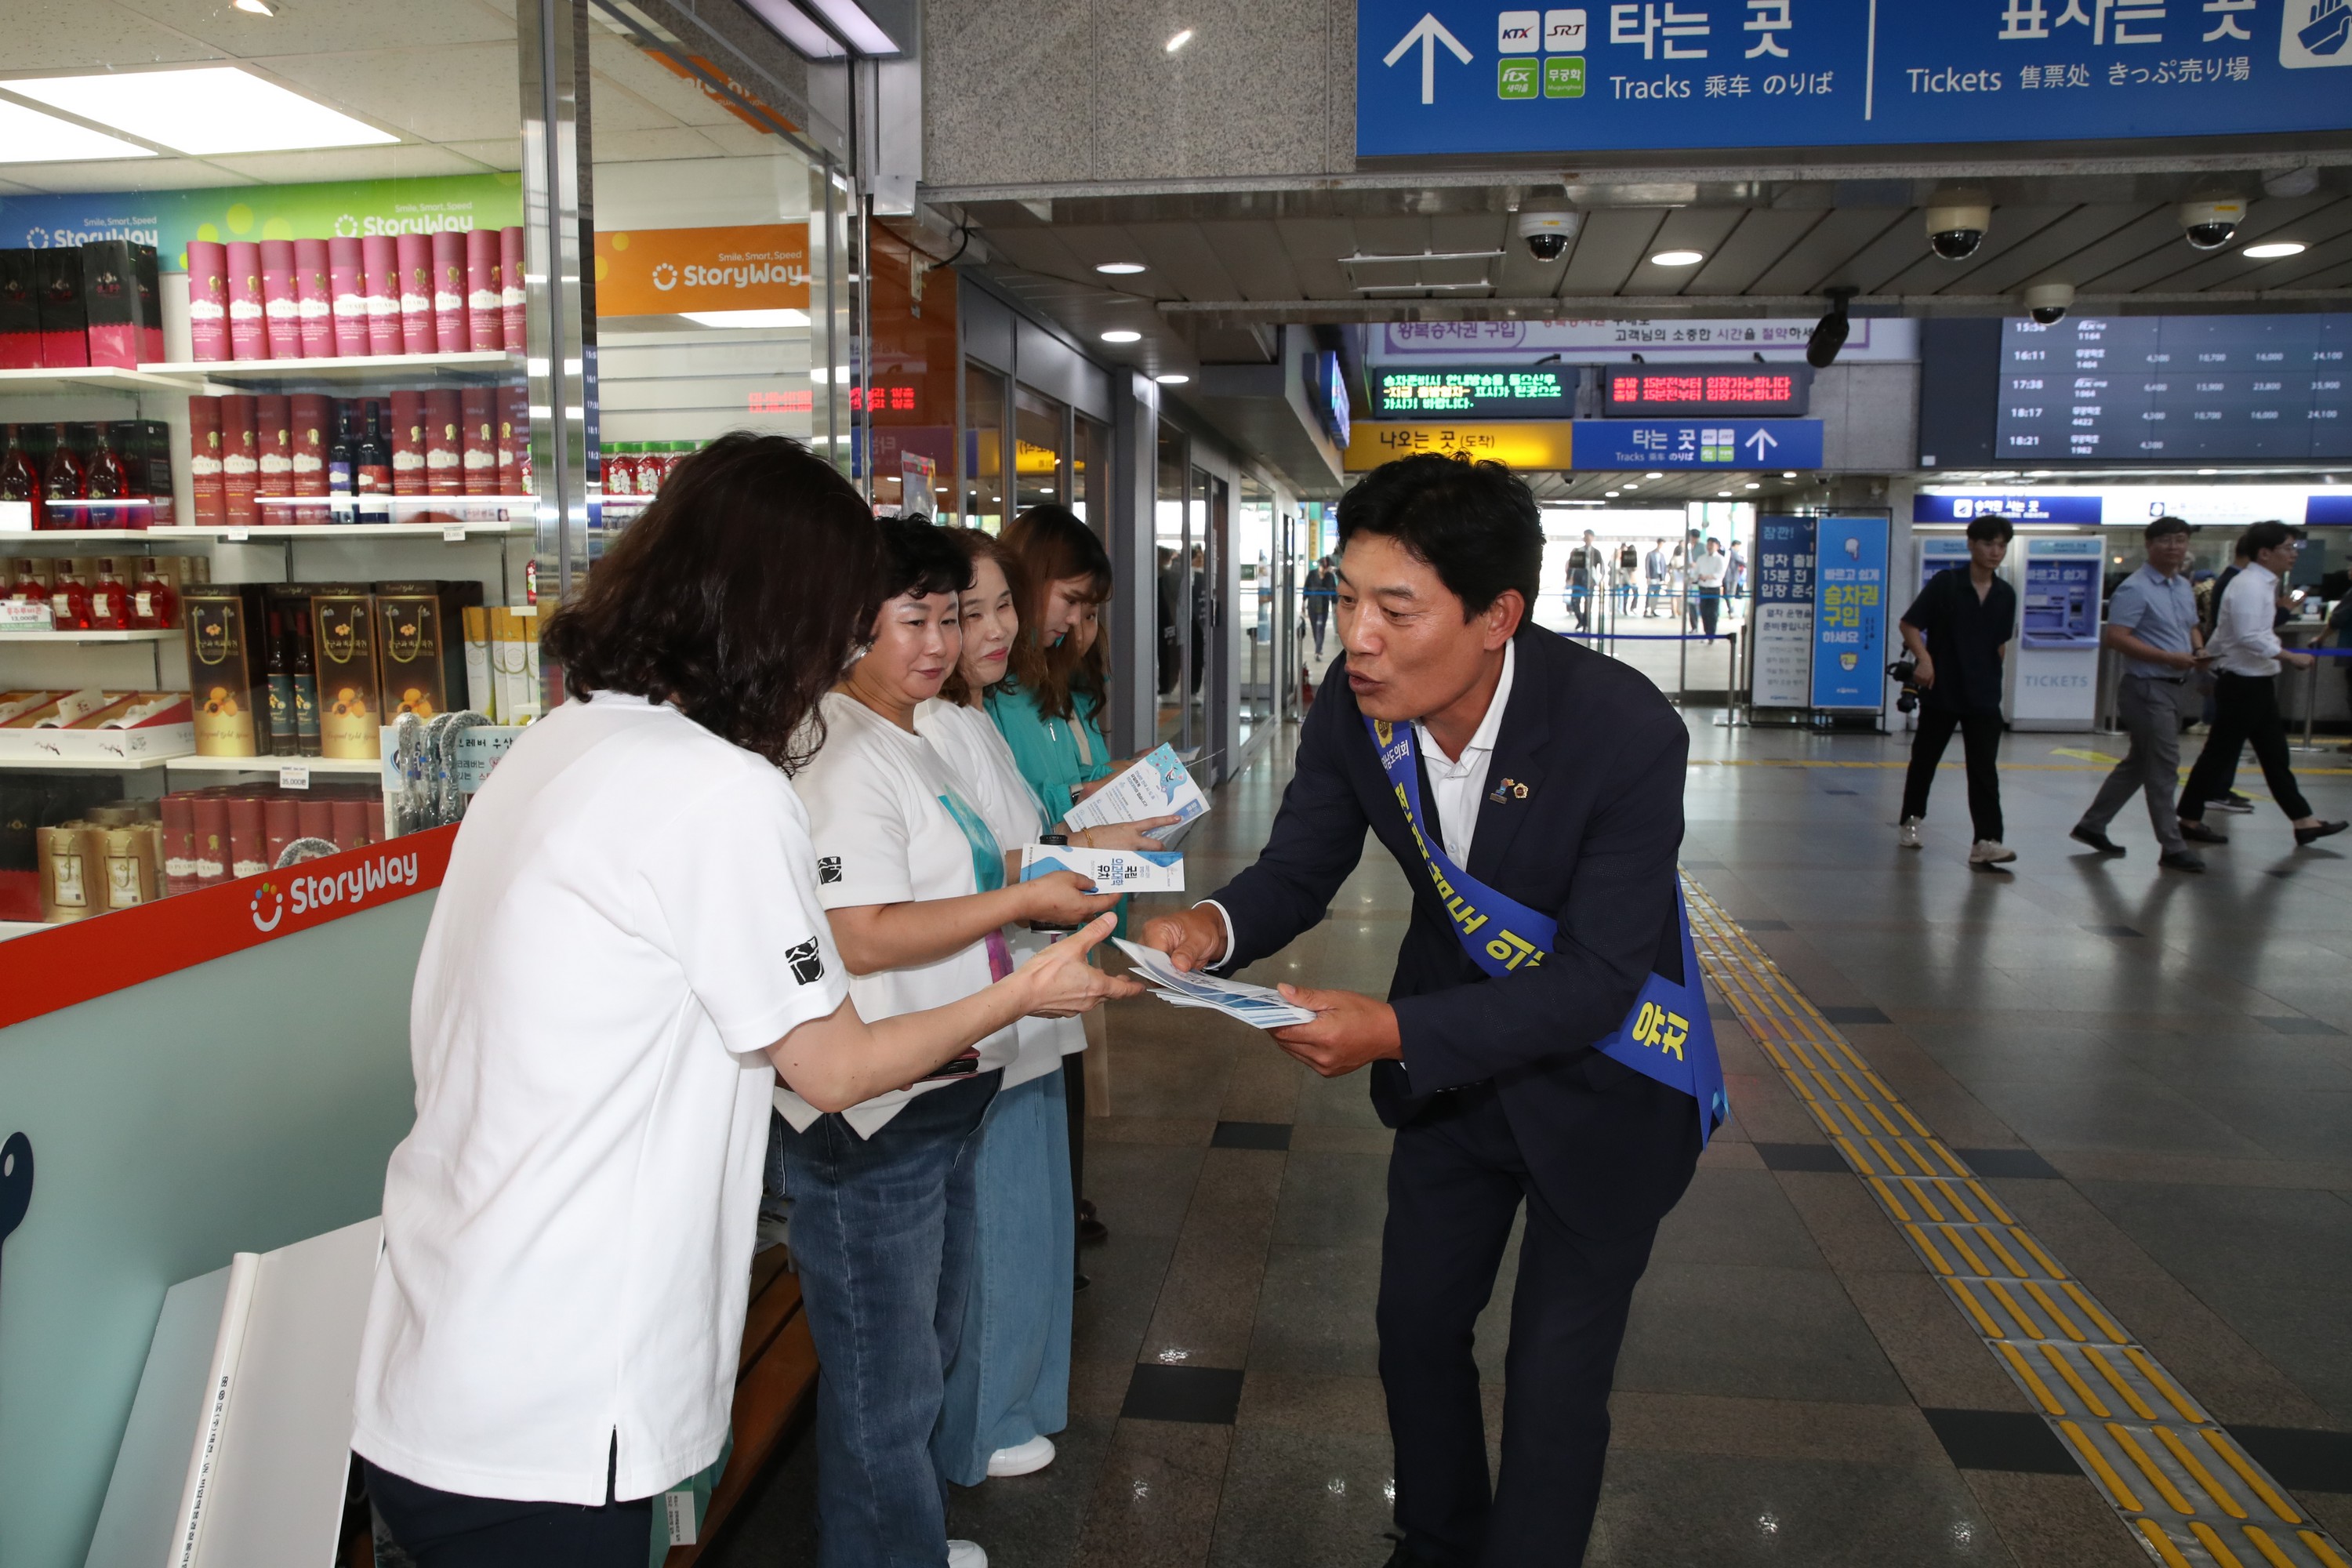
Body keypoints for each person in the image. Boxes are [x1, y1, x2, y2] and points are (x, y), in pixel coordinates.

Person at [350, 436, 1131, 1568]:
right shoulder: (714, 790)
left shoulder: (559, 743)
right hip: (560, 1393)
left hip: (440, 1351)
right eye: (852, 613)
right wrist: (1026, 995)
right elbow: (837, 1067)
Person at [1141, 455, 1716, 1568]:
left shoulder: (1622, 730)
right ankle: (1440, 1539)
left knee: (1554, 1380)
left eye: (1395, 609)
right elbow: (1300, 866)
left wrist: (1387, 1032)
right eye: (1345, 599)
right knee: (1412, 1330)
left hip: (1606, 1090)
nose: (1358, 636)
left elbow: (1601, 979)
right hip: (1456, 1082)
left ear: (1498, 615)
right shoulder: (1356, 711)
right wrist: (1208, 928)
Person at [789, 516, 1145, 1568]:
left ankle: (905, 1539)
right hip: (876, 1097)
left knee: (920, 1347)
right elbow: (859, 932)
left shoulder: (908, 731)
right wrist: (1019, 901)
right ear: (853, 624)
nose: (941, 643)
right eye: (917, 620)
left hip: (938, 1076)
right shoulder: (845, 749)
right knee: (884, 1373)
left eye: (953, 616)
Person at [920, 527, 1175, 1490]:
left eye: (989, 610)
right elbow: (995, 868)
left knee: (1026, 1218)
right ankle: (983, 1420)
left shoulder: (978, 716)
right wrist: (1075, 841)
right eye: (949, 614)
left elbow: (1025, 848)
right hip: (990, 1000)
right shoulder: (930, 730)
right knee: (995, 1228)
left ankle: (1010, 1403)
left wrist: (1082, 838)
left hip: (1029, 987)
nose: (976, 633)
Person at [987, 505, 1132, 1258]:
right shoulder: (983, 702)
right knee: (1039, 1092)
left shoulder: (1060, 689)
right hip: (1029, 925)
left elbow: (1070, 787)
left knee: (1064, 1088)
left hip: (1073, 913)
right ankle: (1048, 1226)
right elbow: (1002, 837)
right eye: (1071, 601)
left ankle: (1056, 1217)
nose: (1080, 622)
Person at [2176, 521, 2347, 850]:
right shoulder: (2250, 586)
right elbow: (2249, 636)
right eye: (2288, 548)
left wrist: (2212, 654)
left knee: (2273, 755)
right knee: (2220, 754)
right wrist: (2289, 657)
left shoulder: (2260, 584)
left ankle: (2303, 822)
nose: (2293, 555)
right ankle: (2188, 818)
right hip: (2244, 684)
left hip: (2253, 682)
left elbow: (2231, 633)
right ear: (2265, 553)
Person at [2069, 517, 2210, 871]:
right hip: (2147, 688)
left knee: (2139, 763)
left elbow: (2191, 625)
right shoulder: (2135, 588)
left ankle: (2092, 824)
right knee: (2163, 767)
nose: (2175, 547)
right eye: (2166, 541)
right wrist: (2169, 658)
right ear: (2149, 545)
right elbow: (2117, 637)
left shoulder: (2181, 586)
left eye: (2181, 540)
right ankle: (2172, 845)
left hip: (2176, 686)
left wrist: (2198, 649)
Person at [1896, 514, 2018, 866]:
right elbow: (1909, 624)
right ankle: (1911, 820)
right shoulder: (1946, 584)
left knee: (1984, 769)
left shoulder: (2005, 594)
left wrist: (1994, 680)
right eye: (1988, 544)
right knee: (1925, 759)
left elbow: (2000, 643)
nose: (1995, 552)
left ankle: (1986, 840)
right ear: (1971, 544)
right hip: (1943, 688)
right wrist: (1925, 660)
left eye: (2001, 545)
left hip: (1983, 695)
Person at [1690, 536, 1727, 639]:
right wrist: (1695, 578)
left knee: (1713, 613)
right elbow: (1696, 573)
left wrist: (1708, 577)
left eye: (1712, 544)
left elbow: (1720, 574)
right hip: (1703, 588)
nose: (1709, 546)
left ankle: (1712, 634)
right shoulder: (1701, 558)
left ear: (1717, 546)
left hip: (1714, 589)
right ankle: (1707, 633)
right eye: (1708, 544)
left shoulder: (1720, 559)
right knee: (1704, 612)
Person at [1306, 554, 1337, 656]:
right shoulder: (1312, 574)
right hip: (1312, 605)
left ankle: (1318, 650)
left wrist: (1335, 605)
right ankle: (1318, 646)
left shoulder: (1330, 577)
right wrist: (1303, 603)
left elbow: (1334, 591)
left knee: (1320, 628)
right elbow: (1306, 588)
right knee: (1315, 628)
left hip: (1323, 606)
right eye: (1323, 567)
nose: (1324, 570)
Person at [1644, 539, 1667, 616]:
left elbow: (1664, 567)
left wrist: (1664, 578)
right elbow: (1647, 565)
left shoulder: (1662, 555)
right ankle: (1647, 609)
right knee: (1649, 593)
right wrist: (1648, 576)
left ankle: (1653, 609)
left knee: (1657, 594)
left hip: (1659, 577)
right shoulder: (1650, 554)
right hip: (1652, 576)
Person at [1616, 539, 1639, 615]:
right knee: (1626, 595)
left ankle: (1631, 608)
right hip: (1626, 579)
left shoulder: (1633, 558)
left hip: (1632, 579)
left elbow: (1635, 568)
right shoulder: (1625, 557)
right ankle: (1625, 609)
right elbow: (1622, 569)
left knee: (1634, 594)